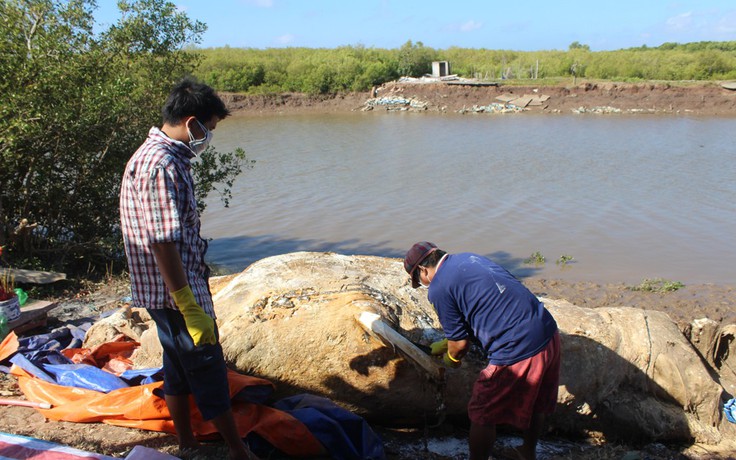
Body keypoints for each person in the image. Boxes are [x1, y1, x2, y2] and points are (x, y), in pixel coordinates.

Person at [120, 79, 258, 460]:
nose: (208, 138)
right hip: (175, 290)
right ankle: (239, 453)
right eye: (208, 130)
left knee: (178, 367)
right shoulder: (161, 164)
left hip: (166, 288)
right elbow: (162, 240)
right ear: (192, 122)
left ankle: (186, 443)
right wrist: (188, 303)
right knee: (208, 366)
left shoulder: (158, 157)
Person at [404, 242, 560, 460]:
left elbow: (459, 346)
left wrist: (452, 358)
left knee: (482, 412)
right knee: (538, 401)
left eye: (419, 281)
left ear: (422, 270)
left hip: (517, 347)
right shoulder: (469, 258)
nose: (423, 284)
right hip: (547, 331)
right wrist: (447, 341)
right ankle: (528, 452)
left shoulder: (438, 287)